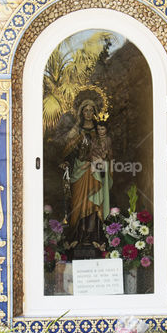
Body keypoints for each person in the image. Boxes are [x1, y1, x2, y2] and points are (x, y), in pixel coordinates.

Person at [61, 100, 112, 256]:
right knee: (78, 202)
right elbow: (68, 149)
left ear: (95, 112)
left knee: (94, 200)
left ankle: (93, 237)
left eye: (91, 110)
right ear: (81, 112)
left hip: (93, 171)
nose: (88, 113)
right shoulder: (77, 130)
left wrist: (101, 161)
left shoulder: (99, 131)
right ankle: (77, 236)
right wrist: (65, 162)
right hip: (79, 169)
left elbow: (106, 152)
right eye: (85, 110)